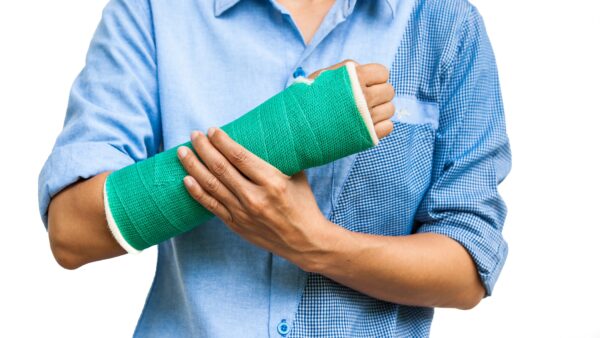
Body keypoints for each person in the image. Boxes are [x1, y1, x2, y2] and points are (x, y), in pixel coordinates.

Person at [38, 0, 511, 336]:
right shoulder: (155, 11)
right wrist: (283, 140)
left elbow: (469, 269)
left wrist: (317, 245)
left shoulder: (445, 24)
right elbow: (71, 234)